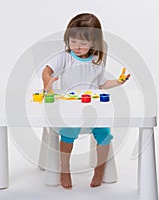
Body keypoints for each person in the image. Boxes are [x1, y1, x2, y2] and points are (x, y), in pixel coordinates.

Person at [42, 13, 130, 189]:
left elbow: (101, 84)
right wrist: (48, 82)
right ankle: (65, 168)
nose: (77, 46)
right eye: (73, 41)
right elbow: (47, 72)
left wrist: (118, 82)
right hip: (70, 109)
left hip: (94, 108)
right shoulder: (64, 57)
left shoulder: (97, 60)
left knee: (105, 134)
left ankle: (100, 169)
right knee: (68, 134)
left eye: (83, 43)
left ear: (94, 43)